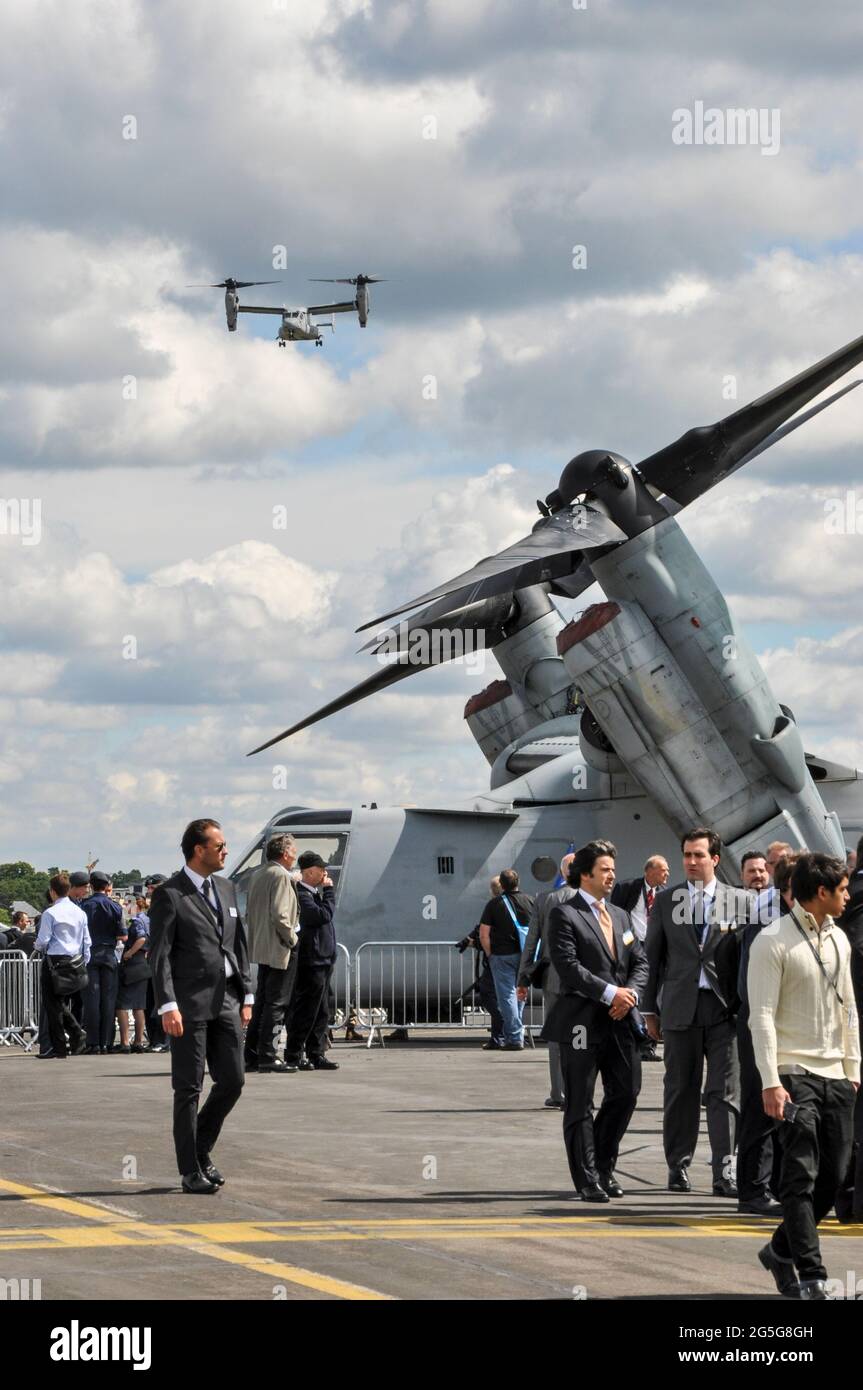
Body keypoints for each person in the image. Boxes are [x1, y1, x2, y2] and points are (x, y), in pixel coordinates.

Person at [750, 852, 860, 1299]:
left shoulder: (841, 940)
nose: (849, 896)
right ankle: (812, 1275)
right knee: (800, 1176)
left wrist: (853, 1069)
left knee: (833, 1179)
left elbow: (849, 1009)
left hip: (837, 1073)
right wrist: (770, 1081)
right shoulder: (772, 940)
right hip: (793, 1073)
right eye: (843, 889)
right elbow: (760, 1016)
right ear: (821, 892)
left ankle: (779, 1249)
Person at [149, 818, 253, 1194]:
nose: (226, 851)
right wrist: (167, 1004)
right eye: (220, 845)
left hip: (226, 998)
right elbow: (158, 955)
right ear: (199, 849)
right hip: (188, 1005)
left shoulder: (226, 888)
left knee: (233, 1080)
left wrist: (247, 995)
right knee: (188, 1087)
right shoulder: (170, 894)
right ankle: (190, 1168)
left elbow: (237, 942)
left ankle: (201, 1147)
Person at [541, 840, 647, 1201]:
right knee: (580, 1102)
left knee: (627, 1092)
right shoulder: (565, 914)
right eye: (604, 869)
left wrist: (628, 993)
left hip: (620, 1019)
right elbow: (569, 968)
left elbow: (640, 962)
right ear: (585, 875)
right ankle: (586, 1177)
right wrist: (609, 993)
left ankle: (603, 1165)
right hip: (581, 1022)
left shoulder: (619, 915)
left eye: (613, 870)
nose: (612, 875)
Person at [643, 827, 748, 1196]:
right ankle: (679, 1167)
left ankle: (724, 1172)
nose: (690, 861)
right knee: (680, 1090)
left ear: (715, 859)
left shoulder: (738, 901)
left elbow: (745, 958)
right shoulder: (668, 901)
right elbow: (652, 958)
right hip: (679, 1009)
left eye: (698, 855)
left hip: (724, 1011)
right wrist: (648, 1011)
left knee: (724, 1094)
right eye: (686, 854)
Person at [733, 854, 799, 1215]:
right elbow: (748, 983)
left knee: (779, 1109)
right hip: (762, 1022)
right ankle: (752, 1191)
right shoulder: (766, 924)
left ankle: (771, 1185)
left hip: (779, 1023)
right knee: (760, 1106)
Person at [517, 853, 576, 1107]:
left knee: (556, 1036)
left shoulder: (545, 899)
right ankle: (580, 1092)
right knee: (583, 1035)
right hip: (588, 979)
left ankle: (558, 1092)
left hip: (554, 976)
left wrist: (523, 977)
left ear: (562, 873)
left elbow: (532, 941)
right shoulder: (593, 899)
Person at [243, 833, 299, 1074]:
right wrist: (292, 939)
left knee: (264, 1002)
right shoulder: (280, 876)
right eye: (294, 850)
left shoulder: (258, 874)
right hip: (279, 947)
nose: (296, 854)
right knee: (277, 1003)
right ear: (285, 853)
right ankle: (268, 1054)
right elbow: (280, 914)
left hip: (261, 945)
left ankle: (253, 1054)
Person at [612, 855, 670, 1061]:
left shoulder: (665, 894)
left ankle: (649, 1044)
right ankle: (637, 1040)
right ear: (650, 871)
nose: (667, 874)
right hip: (633, 947)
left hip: (656, 948)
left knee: (653, 993)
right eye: (664, 870)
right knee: (634, 991)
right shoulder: (627, 887)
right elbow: (615, 917)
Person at [284, 852, 338, 1071]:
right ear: (309, 872)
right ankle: (294, 1053)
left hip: (324, 959)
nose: (325, 872)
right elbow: (322, 916)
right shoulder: (303, 896)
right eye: (320, 869)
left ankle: (316, 1052)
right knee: (307, 1010)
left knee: (321, 1011)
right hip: (312, 961)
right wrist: (329, 892)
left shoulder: (314, 894)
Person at [35, 874, 90, 1060]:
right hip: (75, 959)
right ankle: (74, 1035)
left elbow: (43, 941)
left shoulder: (50, 913)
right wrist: (85, 961)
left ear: (52, 891)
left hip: (54, 961)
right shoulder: (80, 913)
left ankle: (60, 1045)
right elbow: (86, 941)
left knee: (53, 1005)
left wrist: (37, 946)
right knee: (61, 1003)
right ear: (68, 889)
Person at [479, 869, 533, 1051]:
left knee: (506, 996)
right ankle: (516, 1032)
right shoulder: (531, 901)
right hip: (525, 955)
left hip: (502, 955)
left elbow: (484, 933)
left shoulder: (494, 904)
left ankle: (515, 1037)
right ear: (518, 881)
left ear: (501, 885)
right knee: (520, 994)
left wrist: (489, 954)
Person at [80, 871, 126, 1054]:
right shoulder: (115, 907)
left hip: (90, 953)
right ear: (106, 886)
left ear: (91, 885)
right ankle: (106, 1041)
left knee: (91, 999)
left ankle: (93, 1042)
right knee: (108, 999)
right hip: (108, 953)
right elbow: (123, 934)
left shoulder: (83, 905)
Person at [115, 896, 151, 1053]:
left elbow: (141, 938)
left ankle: (124, 1042)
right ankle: (138, 1041)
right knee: (139, 1006)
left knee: (121, 1005)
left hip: (133, 964)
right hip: (143, 964)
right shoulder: (149, 920)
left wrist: (129, 952)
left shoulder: (137, 921)